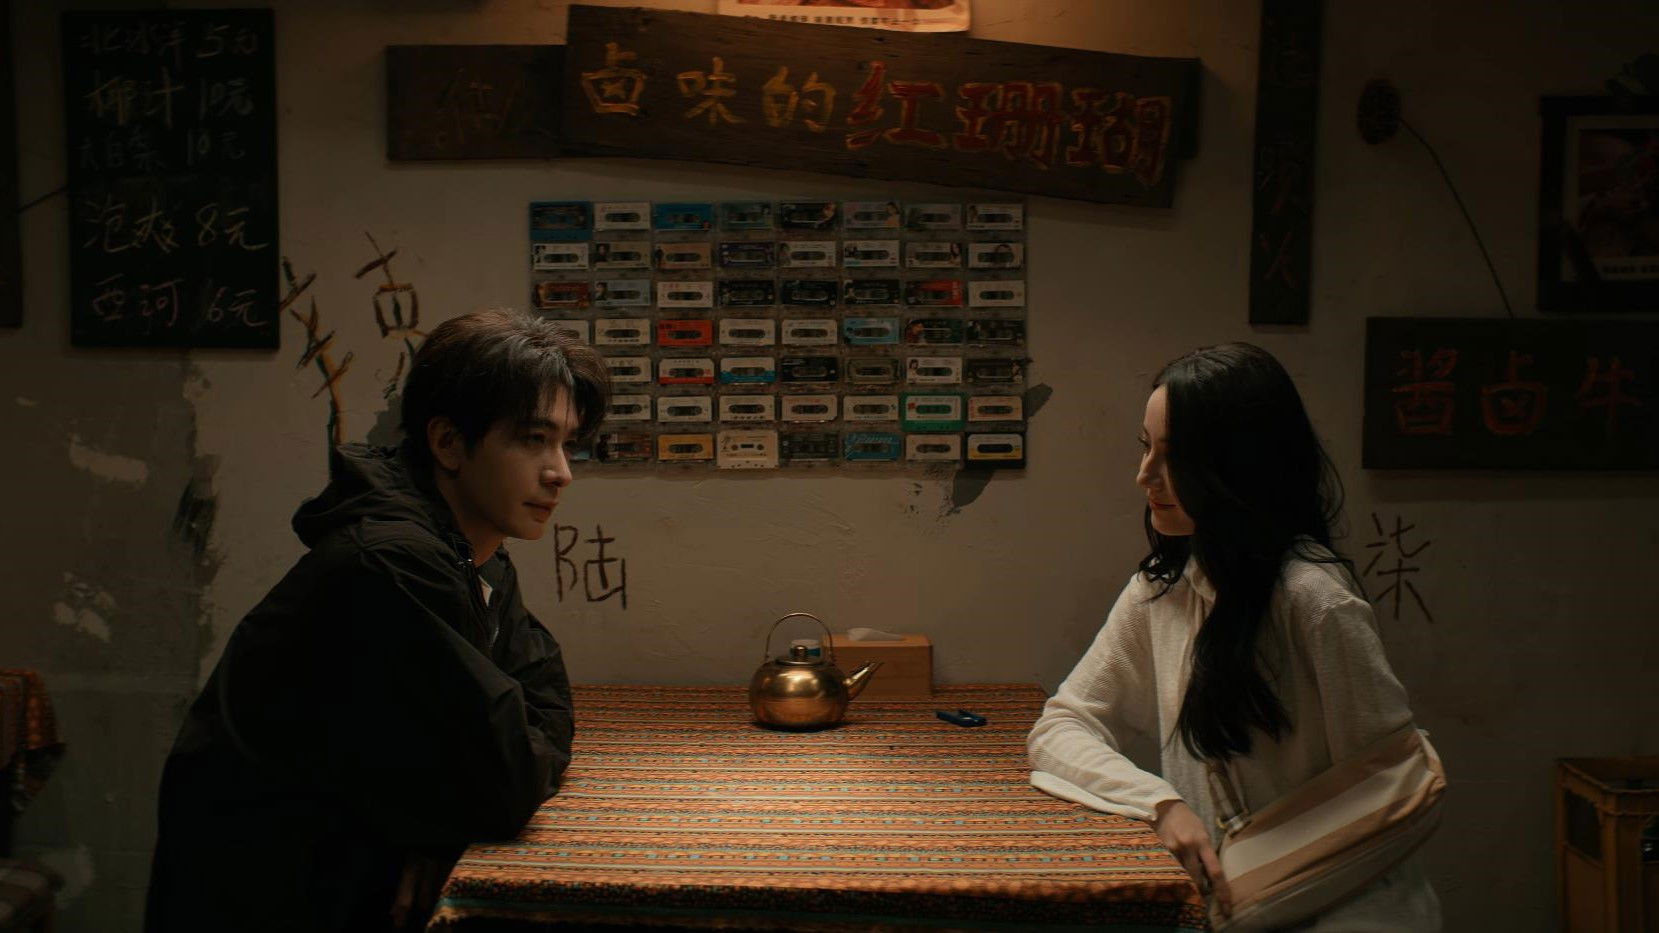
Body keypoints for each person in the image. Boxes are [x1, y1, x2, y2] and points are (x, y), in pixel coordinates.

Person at [145, 309, 611, 932]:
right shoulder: (393, 563)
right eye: (533, 439)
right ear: (448, 443)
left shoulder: (474, 552)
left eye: (567, 444)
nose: (560, 473)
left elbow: (543, 704)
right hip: (266, 889)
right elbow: (509, 779)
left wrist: (436, 830)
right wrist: (454, 811)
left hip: (346, 864)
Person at [1027, 342, 1441, 930]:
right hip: (1231, 910)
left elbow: (1395, 786)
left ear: (1239, 466)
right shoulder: (1163, 591)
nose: (1145, 476)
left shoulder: (1313, 599)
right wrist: (1161, 805)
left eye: (1174, 456)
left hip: (1347, 910)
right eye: (1146, 448)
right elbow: (1061, 728)